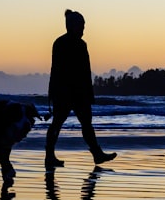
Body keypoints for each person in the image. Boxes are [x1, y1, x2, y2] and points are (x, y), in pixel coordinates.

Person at [44, 9, 116, 169]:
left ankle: (97, 154)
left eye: (84, 26)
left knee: (85, 125)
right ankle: (49, 156)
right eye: (81, 26)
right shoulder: (61, 43)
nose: (83, 29)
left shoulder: (81, 44)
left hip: (78, 93)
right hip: (65, 93)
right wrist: (54, 93)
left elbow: (85, 72)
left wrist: (88, 94)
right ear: (71, 26)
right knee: (58, 124)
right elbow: (56, 70)